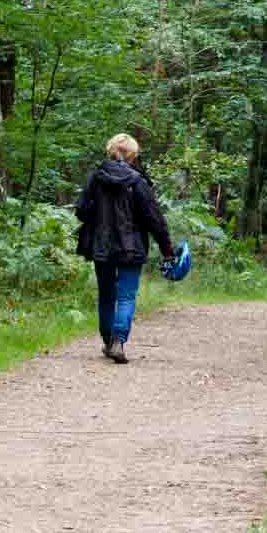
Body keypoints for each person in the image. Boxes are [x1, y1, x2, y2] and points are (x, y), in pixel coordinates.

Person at [74, 131, 177, 363]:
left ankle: (108, 341)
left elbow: (80, 210)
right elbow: (154, 219)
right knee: (127, 296)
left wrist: (97, 216)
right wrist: (167, 250)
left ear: (111, 150)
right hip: (132, 247)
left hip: (101, 246)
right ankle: (119, 341)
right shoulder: (138, 182)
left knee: (106, 296)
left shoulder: (96, 178)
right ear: (132, 154)